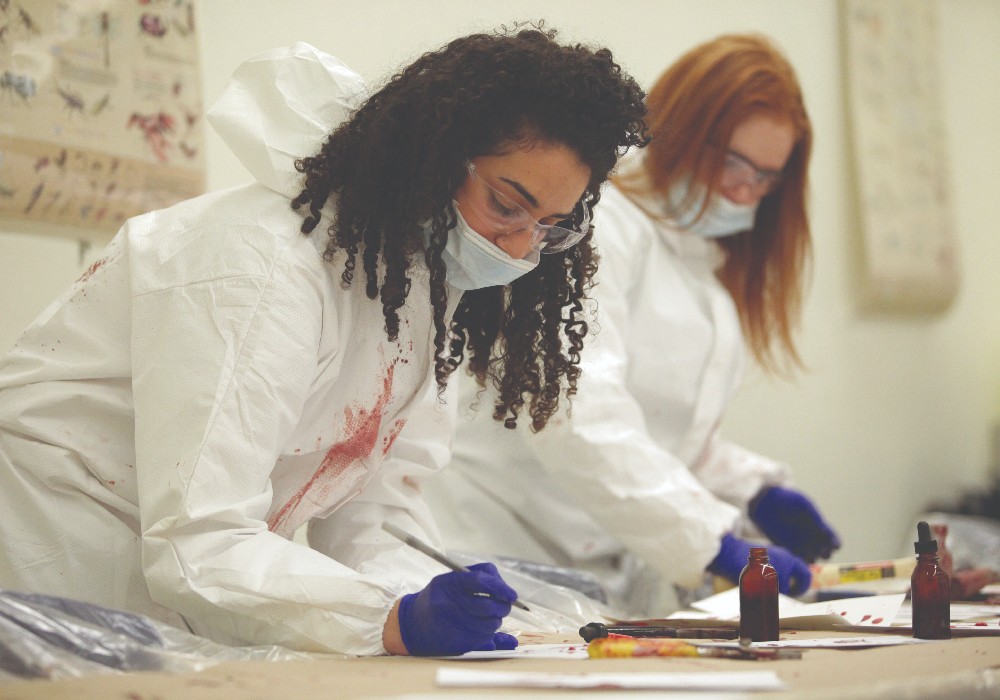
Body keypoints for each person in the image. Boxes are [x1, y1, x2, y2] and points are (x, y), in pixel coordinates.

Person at [0, 28, 648, 656]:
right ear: (435, 155)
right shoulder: (262, 265)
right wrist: (386, 620)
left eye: (548, 227)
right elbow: (195, 537)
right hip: (59, 552)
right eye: (507, 204)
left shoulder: (416, 291)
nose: (518, 246)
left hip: (165, 579)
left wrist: (427, 602)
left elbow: (373, 513)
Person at [424, 33, 839, 617]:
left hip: (592, 567)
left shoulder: (703, 262)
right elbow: (574, 410)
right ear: (685, 129)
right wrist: (711, 543)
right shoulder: (600, 223)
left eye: (765, 177)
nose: (745, 190)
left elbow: (664, 432)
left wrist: (755, 489)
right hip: (497, 539)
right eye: (734, 163)